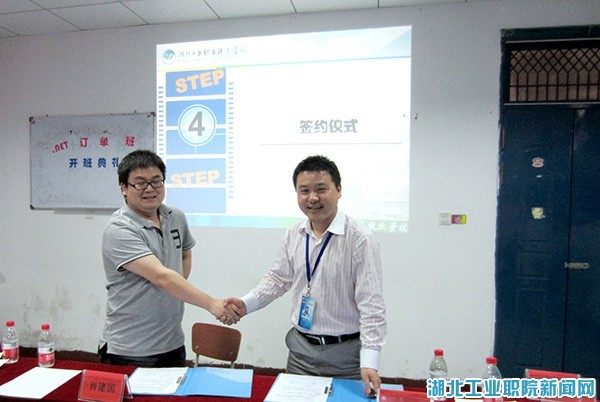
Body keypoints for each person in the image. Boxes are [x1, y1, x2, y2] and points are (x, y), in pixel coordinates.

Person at [226, 155, 386, 396]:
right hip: (300, 352)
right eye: (304, 191)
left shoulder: (360, 239)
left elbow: (371, 304)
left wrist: (370, 361)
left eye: (321, 189)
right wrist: (245, 304)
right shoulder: (294, 234)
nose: (312, 198)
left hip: (345, 356)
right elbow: (278, 279)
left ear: (339, 190)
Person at [99, 149, 238, 367]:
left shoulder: (176, 217)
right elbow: (161, 277)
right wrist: (212, 304)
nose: (150, 189)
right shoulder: (119, 229)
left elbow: (185, 253)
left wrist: (177, 287)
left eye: (157, 181)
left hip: (172, 343)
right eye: (140, 183)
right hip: (130, 349)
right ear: (124, 188)